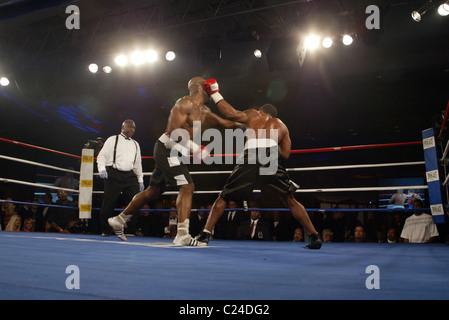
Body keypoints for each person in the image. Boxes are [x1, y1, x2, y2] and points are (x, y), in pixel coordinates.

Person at [107, 77, 242, 245]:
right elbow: (174, 131)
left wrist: (246, 124)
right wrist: (196, 149)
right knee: (187, 186)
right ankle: (182, 234)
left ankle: (120, 219)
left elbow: (224, 123)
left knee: (153, 191)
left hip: (178, 153)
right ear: (202, 87)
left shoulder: (205, 111)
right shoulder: (184, 103)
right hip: (167, 149)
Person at [195, 78, 322, 249]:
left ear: (262, 111)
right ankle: (314, 236)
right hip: (271, 157)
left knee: (225, 196)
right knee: (289, 199)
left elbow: (231, 114)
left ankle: (205, 234)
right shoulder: (282, 126)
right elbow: (285, 154)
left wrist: (214, 92)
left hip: (251, 155)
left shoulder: (254, 114)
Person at [97, 119, 144, 236]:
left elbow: (138, 164)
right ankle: (105, 230)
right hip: (113, 174)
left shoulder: (135, 144)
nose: (132, 130)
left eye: (133, 128)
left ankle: (131, 229)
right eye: (130, 127)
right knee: (109, 203)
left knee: (136, 202)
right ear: (122, 127)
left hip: (130, 175)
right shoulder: (112, 140)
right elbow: (101, 156)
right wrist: (102, 169)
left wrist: (140, 180)